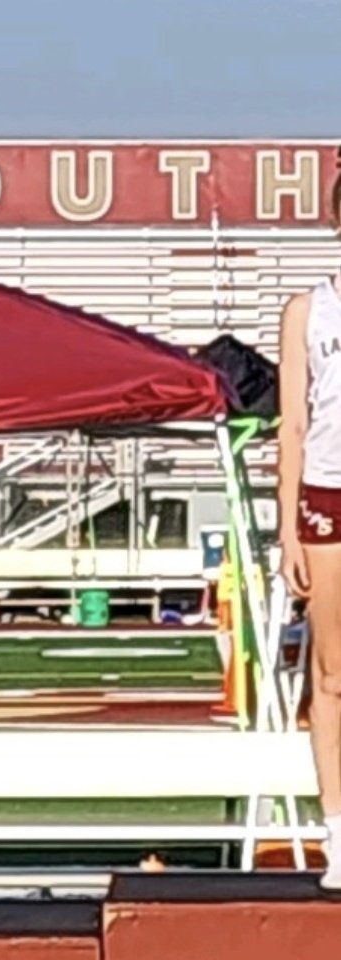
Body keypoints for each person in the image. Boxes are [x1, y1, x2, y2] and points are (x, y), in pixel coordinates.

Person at [278, 171, 341, 888]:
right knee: (331, 669)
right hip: (328, 494)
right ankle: (336, 831)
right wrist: (287, 527)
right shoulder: (308, 311)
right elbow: (293, 424)